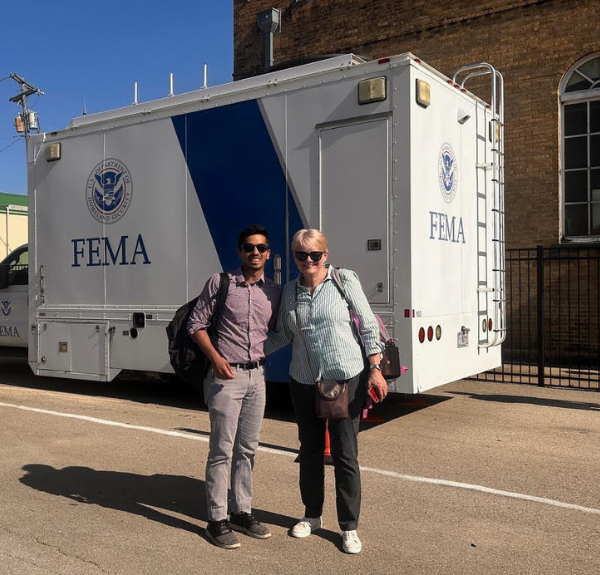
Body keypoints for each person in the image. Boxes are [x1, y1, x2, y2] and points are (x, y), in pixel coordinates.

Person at [265, 228, 388, 554]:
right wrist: (243, 352)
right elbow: (281, 335)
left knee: (345, 454)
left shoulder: (343, 281)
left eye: (314, 254)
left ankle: (349, 527)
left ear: (325, 255)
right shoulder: (290, 291)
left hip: (342, 379)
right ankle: (312, 515)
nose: (308, 260)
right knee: (310, 450)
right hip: (304, 379)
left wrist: (375, 367)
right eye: (301, 255)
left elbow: (367, 323)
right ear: (294, 257)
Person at [187, 224, 281, 549]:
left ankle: (242, 511)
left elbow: (279, 331)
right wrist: (215, 357)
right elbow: (195, 324)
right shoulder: (221, 282)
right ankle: (217, 518)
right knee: (221, 450)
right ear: (240, 252)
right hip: (226, 377)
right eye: (249, 247)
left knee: (248, 449)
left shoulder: (275, 292)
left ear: (268, 253)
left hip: (259, 377)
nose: (255, 252)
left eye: (261, 248)